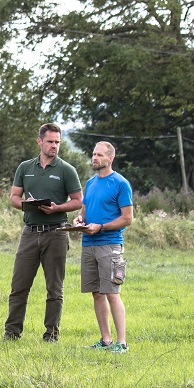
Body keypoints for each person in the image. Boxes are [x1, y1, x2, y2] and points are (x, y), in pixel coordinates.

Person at [4, 123, 83, 342]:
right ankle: (11, 333)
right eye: (50, 141)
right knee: (19, 286)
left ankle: (51, 335)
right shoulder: (25, 168)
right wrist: (26, 205)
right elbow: (13, 198)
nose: (54, 146)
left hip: (56, 233)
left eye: (57, 142)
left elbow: (78, 201)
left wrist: (57, 208)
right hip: (29, 233)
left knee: (54, 289)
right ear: (40, 141)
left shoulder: (66, 170)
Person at [72, 141, 133, 353]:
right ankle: (105, 340)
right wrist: (78, 221)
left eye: (99, 155)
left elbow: (127, 218)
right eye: (93, 154)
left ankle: (122, 343)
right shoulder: (90, 183)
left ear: (110, 158)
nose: (94, 158)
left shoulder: (120, 184)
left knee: (112, 292)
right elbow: (84, 211)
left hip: (110, 244)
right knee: (96, 293)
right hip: (88, 244)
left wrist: (102, 227)